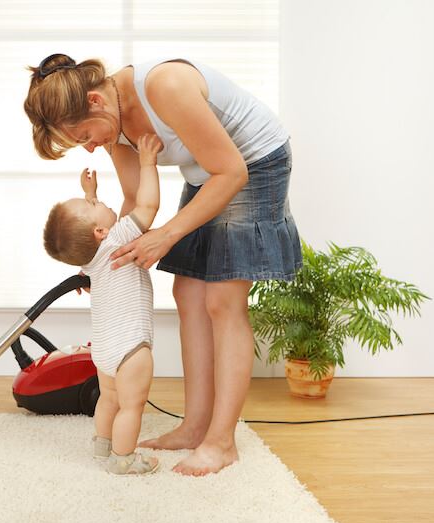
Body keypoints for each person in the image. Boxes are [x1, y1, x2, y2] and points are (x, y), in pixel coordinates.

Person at [25, 53, 301, 476]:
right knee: (187, 292)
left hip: (253, 164)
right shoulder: (114, 129)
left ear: (96, 101)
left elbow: (231, 172)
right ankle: (193, 427)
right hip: (207, 173)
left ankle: (221, 441)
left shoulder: (165, 86)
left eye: (84, 136)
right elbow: (136, 205)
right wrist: (102, 266)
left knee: (222, 300)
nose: (92, 147)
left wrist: (168, 234)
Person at [43, 134, 163, 475]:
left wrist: (90, 196)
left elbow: (90, 229)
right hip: (131, 348)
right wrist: (147, 163)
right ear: (99, 231)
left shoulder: (90, 260)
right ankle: (125, 459)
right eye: (95, 206)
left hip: (106, 349)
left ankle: (102, 445)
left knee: (109, 399)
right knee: (132, 406)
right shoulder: (117, 239)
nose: (101, 203)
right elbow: (148, 207)